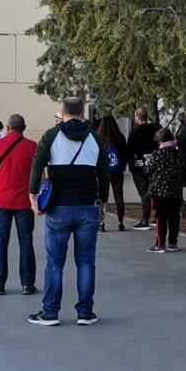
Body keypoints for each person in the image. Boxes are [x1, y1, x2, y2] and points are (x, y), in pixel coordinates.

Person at [26, 97, 110, 326]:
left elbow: (37, 165)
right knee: (86, 262)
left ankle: (50, 313)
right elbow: (104, 174)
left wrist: (33, 195)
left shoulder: (51, 136)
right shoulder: (95, 138)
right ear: (83, 114)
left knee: (54, 263)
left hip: (59, 208)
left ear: (63, 113)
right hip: (88, 208)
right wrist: (103, 202)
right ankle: (85, 313)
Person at [0, 114, 38, 295]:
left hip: (2, 201)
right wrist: (34, 195)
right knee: (26, 241)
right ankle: (28, 284)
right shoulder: (32, 146)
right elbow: (39, 176)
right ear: (25, 127)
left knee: (1, 241)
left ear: (7, 127)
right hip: (24, 202)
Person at [145, 127, 185, 253]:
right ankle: (173, 243)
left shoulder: (157, 154)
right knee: (174, 217)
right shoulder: (179, 154)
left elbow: (148, 170)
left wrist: (147, 164)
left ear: (161, 141)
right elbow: (184, 171)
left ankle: (160, 244)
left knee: (160, 217)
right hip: (176, 190)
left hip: (159, 190)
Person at [127, 106, 160, 230]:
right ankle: (158, 218)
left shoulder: (134, 133)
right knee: (156, 192)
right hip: (155, 166)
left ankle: (144, 220)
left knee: (144, 194)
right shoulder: (155, 130)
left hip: (139, 167)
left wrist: (131, 167)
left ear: (137, 117)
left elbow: (129, 151)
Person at [95, 115, 129, 232]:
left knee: (103, 198)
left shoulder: (98, 138)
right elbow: (125, 155)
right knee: (119, 196)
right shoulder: (120, 137)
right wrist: (122, 167)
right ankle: (120, 222)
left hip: (103, 172)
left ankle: (101, 223)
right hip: (117, 171)